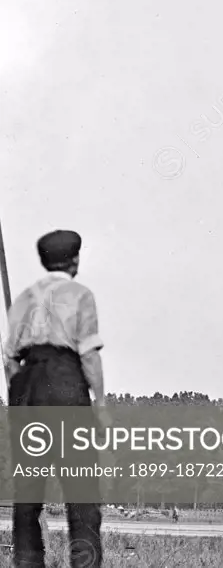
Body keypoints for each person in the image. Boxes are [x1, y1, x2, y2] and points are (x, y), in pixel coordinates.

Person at [4, 229, 107, 567]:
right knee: (81, 491)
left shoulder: (24, 297)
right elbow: (89, 354)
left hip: (27, 384)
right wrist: (101, 404)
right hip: (64, 383)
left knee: (28, 492)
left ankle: (27, 562)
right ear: (74, 260)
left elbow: (8, 358)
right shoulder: (80, 294)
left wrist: (19, 393)